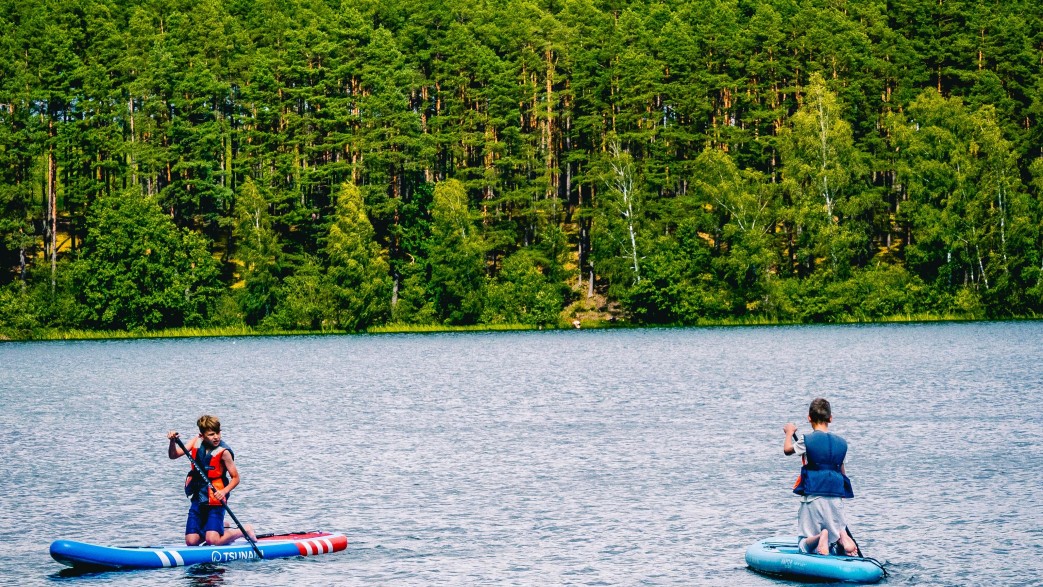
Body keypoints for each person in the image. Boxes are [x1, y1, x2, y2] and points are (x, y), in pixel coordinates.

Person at [783, 398, 859, 556]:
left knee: (804, 544)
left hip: (813, 497)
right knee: (834, 535)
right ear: (830, 418)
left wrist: (790, 432)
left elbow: (787, 450)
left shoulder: (806, 440)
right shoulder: (841, 444)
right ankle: (842, 536)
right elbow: (842, 473)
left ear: (809, 418)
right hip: (835, 498)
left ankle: (819, 537)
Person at [167, 415, 254, 546]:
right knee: (191, 542)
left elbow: (236, 478)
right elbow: (173, 455)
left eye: (218, 433)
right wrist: (172, 441)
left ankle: (244, 530)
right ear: (201, 436)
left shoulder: (224, 452)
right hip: (198, 494)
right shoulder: (196, 441)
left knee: (212, 540)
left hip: (216, 496)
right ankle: (222, 527)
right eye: (211, 434)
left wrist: (224, 492)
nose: (216, 437)